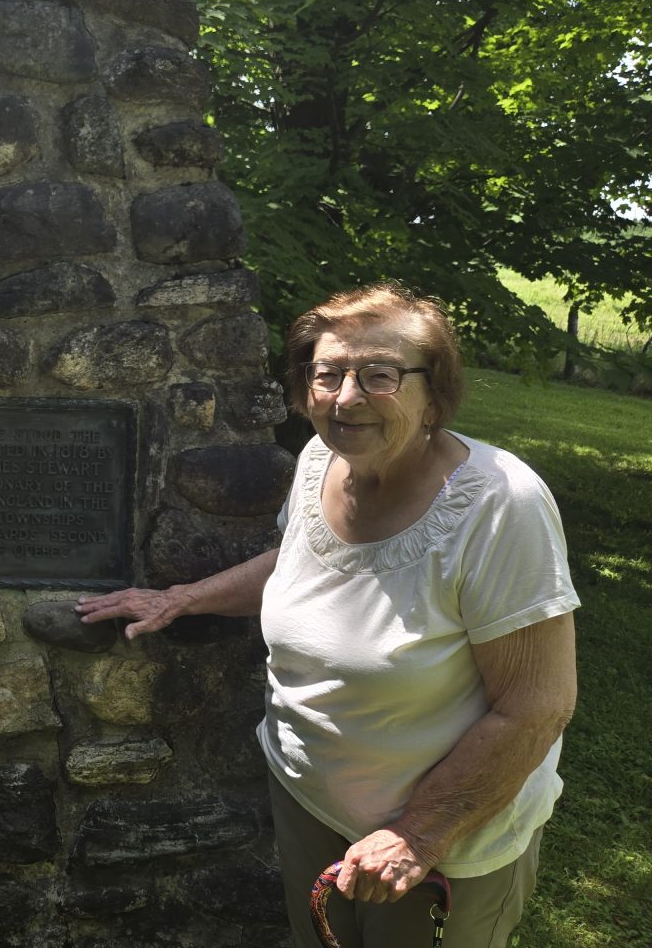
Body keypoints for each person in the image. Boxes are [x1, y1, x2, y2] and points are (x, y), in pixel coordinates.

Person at [76, 282, 578, 948]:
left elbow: (536, 707)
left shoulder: (499, 506)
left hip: (440, 849)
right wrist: (182, 598)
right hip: (310, 804)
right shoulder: (321, 461)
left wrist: (416, 835)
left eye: (379, 376)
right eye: (328, 374)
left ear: (434, 392)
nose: (346, 398)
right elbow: (300, 563)